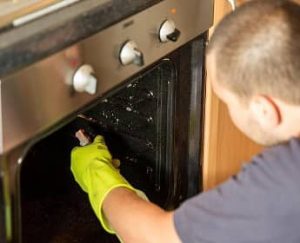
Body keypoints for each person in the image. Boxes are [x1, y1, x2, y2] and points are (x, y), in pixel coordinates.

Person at [70, 0, 300, 242]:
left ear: (263, 110)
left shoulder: (283, 180)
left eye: (227, 101)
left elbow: (157, 238)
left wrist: (97, 172)